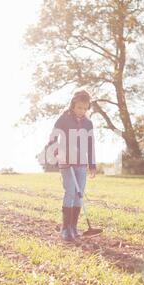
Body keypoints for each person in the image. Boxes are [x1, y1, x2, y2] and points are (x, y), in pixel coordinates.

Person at [43, 89, 97, 241]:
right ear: (73, 105)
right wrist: (56, 153)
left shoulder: (88, 123)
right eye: (79, 107)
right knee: (70, 192)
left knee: (79, 195)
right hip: (66, 162)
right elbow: (52, 138)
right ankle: (65, 229)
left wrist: (92, 165)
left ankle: (74, 227)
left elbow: (90, 144)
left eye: (85, 108)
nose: (82, 111)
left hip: (81, 163)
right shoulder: (63, 119)